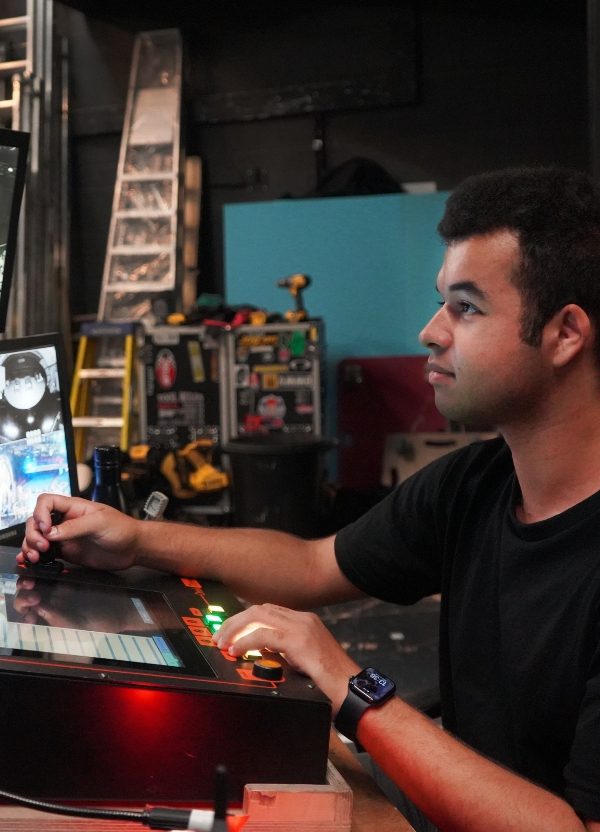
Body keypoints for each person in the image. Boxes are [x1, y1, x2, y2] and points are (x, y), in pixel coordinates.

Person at [20, 166, 600, 832]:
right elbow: (311, 565)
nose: (431, 331)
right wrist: (136, 538)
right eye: (441, 301)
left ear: (565, 333)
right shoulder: (476, 483)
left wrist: (346, 680)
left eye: (466, 307)